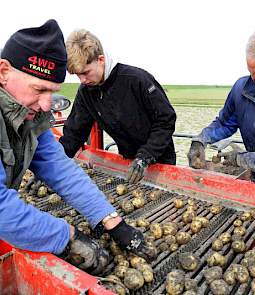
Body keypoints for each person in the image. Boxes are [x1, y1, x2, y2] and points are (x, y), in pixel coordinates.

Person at [0, 19, 154, 275]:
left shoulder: (30, 114)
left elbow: (59, 166)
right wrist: (67, 236)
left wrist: (110, 220)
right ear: (3, 71)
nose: (47, 105)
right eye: (39, 89)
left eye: (53, 91)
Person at [59, 29, 176, 184]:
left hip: (159, 161)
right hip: (127, 162)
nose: (82, 80)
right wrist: (54, 166)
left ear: (100, 60)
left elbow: (166, 119)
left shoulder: (136, 80)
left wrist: (145, 156)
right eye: (78, 75)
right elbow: (74, 133)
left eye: (86, 72)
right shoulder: (86, 92)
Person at [188, 27, 255, 190]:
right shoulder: (242, 90)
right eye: (252, 73)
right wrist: (201, 140)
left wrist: (243, 159)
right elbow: (225, 124)